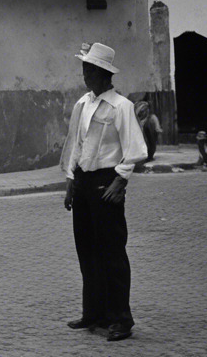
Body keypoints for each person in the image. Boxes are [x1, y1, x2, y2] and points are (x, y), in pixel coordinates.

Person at [62, 42, 148, 342]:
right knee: (87, 251)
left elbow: (135, 149)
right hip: (85, 182)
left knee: (112, 252)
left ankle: (121, 319)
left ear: (102, 73)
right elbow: (76, 144)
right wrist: (71, 180)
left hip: (106, 182)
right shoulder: (82, 104)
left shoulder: (120, 107)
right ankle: (93, 312)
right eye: (84, 69)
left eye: (89, 69)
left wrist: (120, 180)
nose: (85, 74)